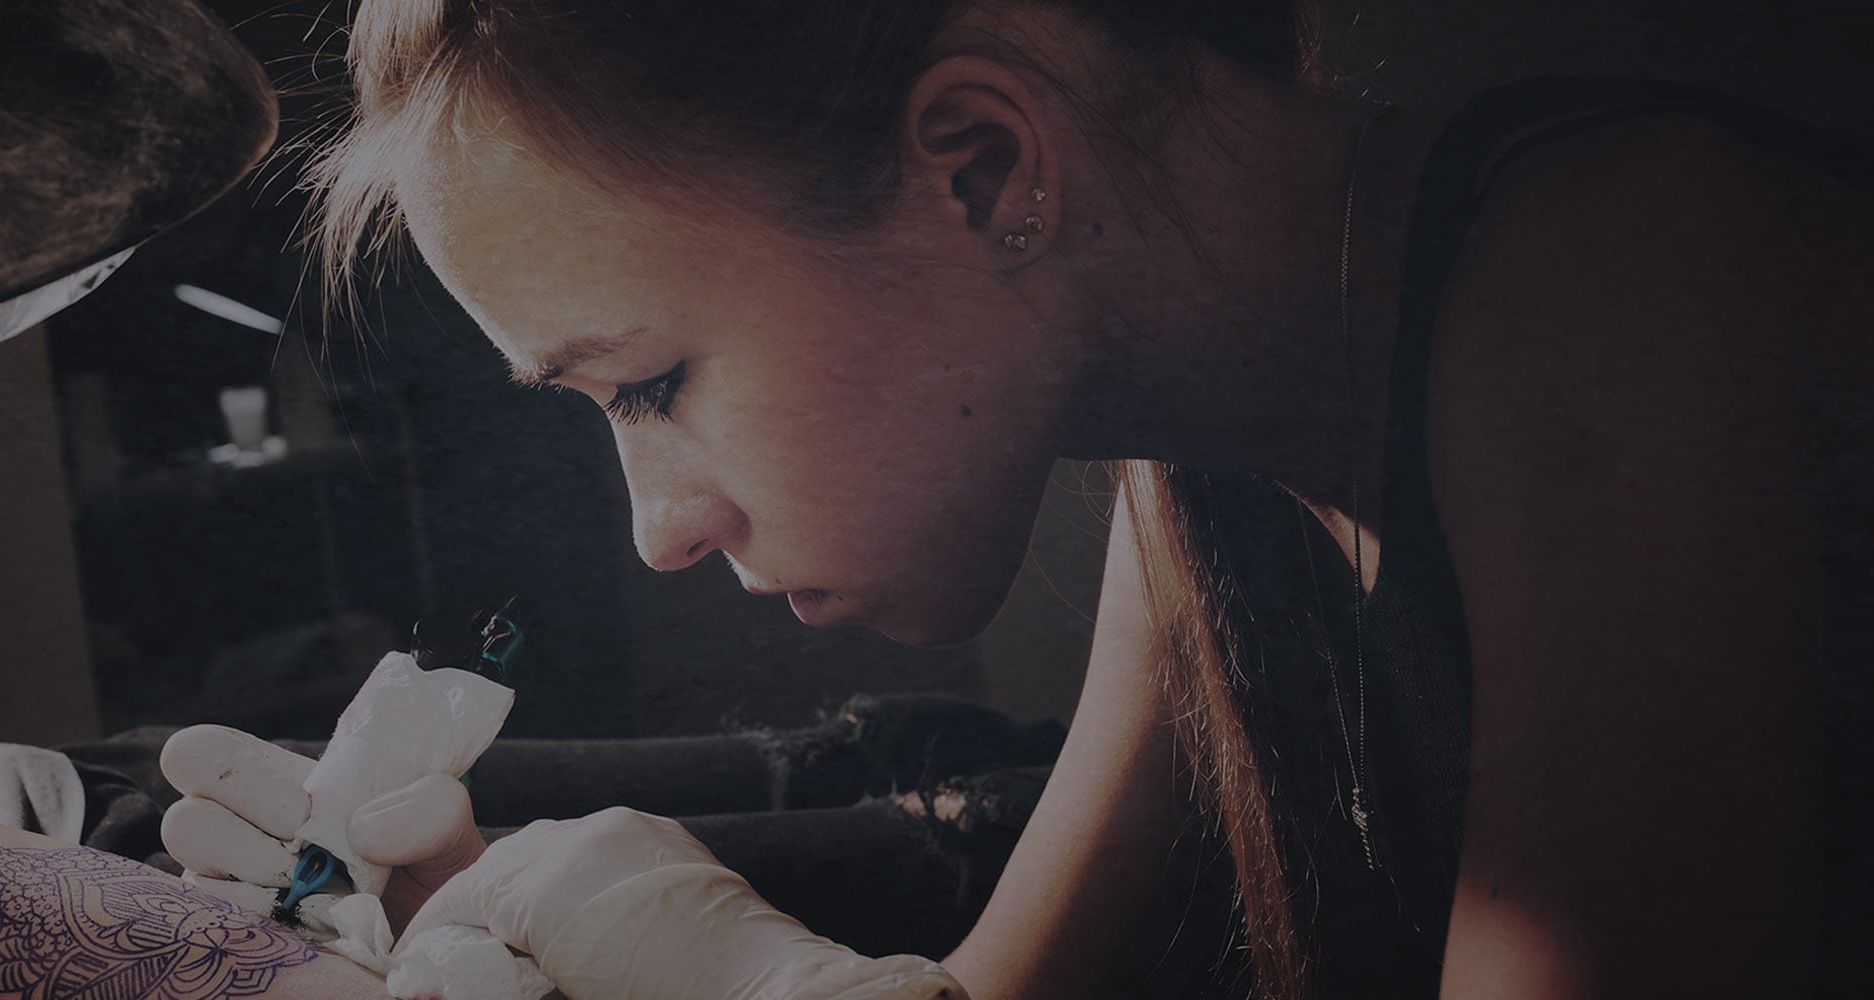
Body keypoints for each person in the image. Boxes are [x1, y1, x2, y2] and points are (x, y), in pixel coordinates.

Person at [157, 1, 1871, 998]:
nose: (657, 530)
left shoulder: (1636, 287)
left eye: (653, 385)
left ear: (982, 167)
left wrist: (753, 979)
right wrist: (498, 918)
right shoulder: (1205, 455)